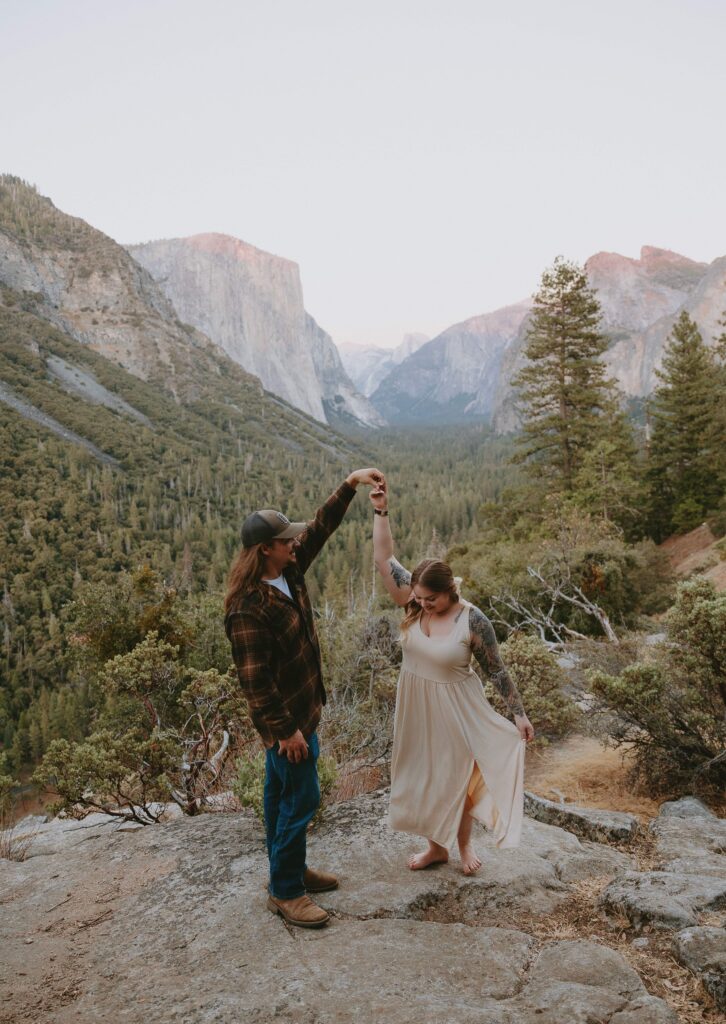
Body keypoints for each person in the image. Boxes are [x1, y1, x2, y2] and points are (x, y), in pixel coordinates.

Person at [225, 468, 383, 929]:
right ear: (265, 550)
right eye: (285, 540)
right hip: (287, 723)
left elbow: (319, 528)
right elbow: (254, 682)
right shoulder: (247, 608)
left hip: (303, 712)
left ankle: (286, 870)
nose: (295, 543)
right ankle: (286, 892)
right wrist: (286, 731)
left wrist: (349, 486)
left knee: (279, 795)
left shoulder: (288, 571)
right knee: (303, 796)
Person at [370, 479, 535, 874]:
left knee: (456, 776)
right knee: (423, 773)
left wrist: (519, 713)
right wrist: (380, 510)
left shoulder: (473, 619)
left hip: (458, 705)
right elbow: (383, 556)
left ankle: (462, 846)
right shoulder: (415, 597)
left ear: (450, 591)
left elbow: (496, 669)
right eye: (419, 599)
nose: (423, 605)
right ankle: (435, 848)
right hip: (416, 701)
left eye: (431, 600)